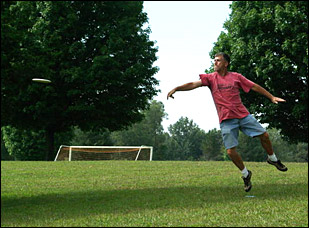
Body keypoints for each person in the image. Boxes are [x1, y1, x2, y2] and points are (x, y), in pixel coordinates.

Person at [167, 52, 288, 192]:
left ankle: (272, 158)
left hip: (243, 115)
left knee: (265, 135)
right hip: (226, 120)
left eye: (218, 61)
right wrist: (177, 88)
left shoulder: (236, 77)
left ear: (226, 63)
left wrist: (271, 97)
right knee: (230, 152)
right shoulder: (210, 78)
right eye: (214, 61)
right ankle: (246, 174)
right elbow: (193, 84)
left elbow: (254, 86)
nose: (215, 63)